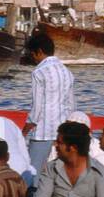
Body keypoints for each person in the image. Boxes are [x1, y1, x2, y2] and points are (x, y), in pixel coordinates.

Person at [22, 31, 74, 175]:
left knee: (34, 172)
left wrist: (26, 129)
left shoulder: (39, 72)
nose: (32, 58)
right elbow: (71, 105)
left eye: (32, 54)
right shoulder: (66, 72)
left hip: (42, 132)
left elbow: (37, 107)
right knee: (59, 172)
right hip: (62, 131)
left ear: (38, 52)